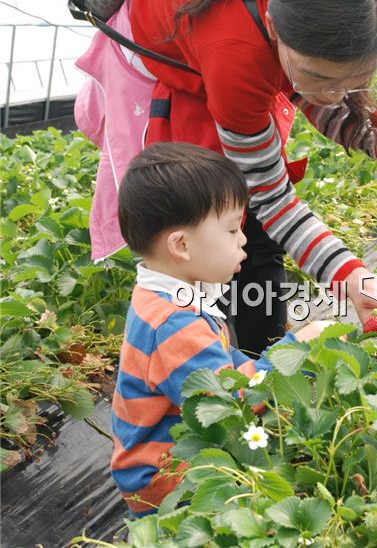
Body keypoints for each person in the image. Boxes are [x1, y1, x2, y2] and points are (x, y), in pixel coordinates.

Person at [76, 0, 377, 359]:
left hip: (226, 55)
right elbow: (270, 197)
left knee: (252, 242)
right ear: (275, 28)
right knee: (202, 227)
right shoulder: (237, 51)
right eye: (319, 77)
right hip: (169, 74)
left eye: (351, 82)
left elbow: (312, 89)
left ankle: (263, 359)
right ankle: (211, 365)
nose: (333, 96)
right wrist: (348, 274)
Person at [111, 141, 337, 517]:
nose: (244, 240)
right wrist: (299, 350)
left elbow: (223, 360)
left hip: (179, 451)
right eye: (233, 230)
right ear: (181, 245)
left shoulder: (173, 293)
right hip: (168, 482)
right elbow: (230, 403)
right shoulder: (172, 324)